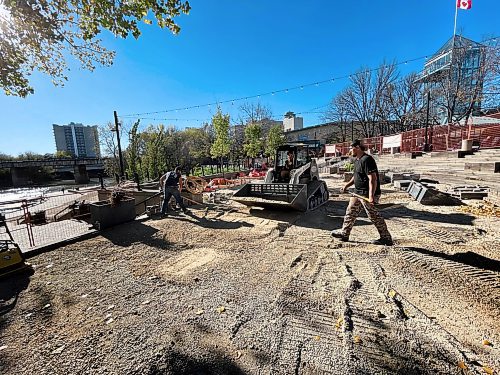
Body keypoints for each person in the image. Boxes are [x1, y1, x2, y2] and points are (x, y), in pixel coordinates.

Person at [331, 140, 393, 245]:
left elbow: (372, 179)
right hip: (358, 192)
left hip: (367, 194)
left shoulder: (367, 160)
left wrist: (371, 196)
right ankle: (344, 234)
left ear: (358, 147)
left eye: (352, 148)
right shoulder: (357, 160)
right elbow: (356, 177)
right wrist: (346, 185)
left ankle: (386, 238)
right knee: (350, 212)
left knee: (373, 216)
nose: (350, 150)